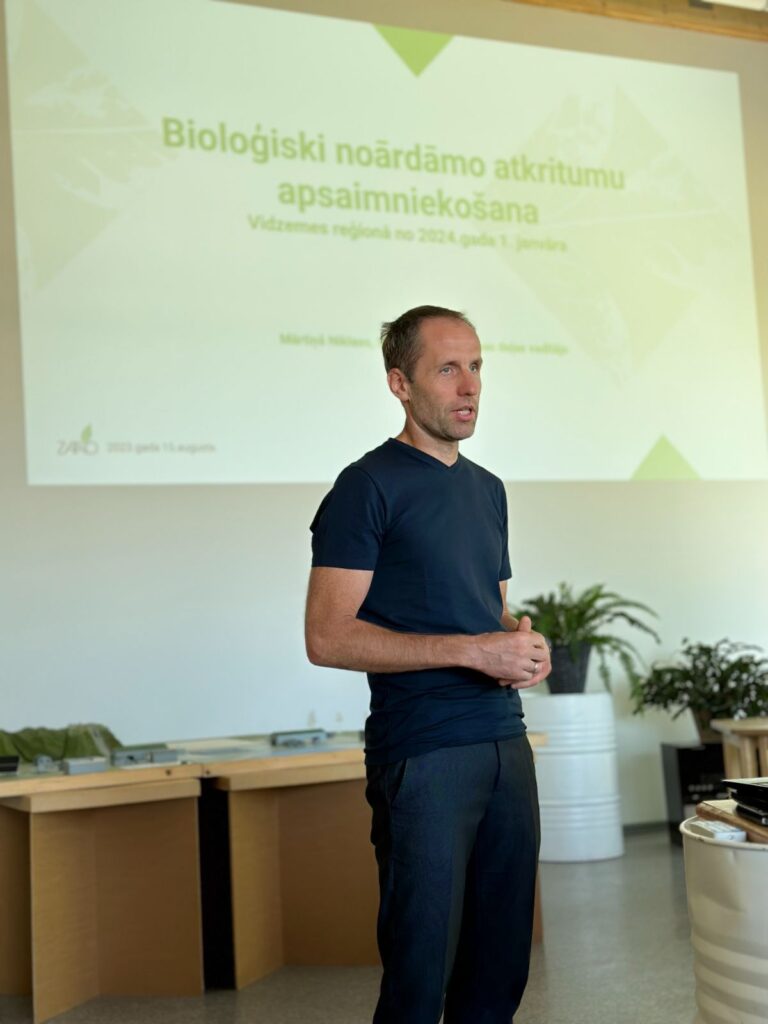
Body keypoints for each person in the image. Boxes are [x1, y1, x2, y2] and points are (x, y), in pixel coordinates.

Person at [305, 305, 550, 1024]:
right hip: (424, 752)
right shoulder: (366, 486)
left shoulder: (488, 489)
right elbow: (327, 637)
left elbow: (486, 610)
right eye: (447, 369)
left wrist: (519, 644)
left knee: (499, 968)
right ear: (400, 384)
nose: (469, 386)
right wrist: (473, 650)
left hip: (505, 742)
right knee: (420, 974)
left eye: (475, 367)